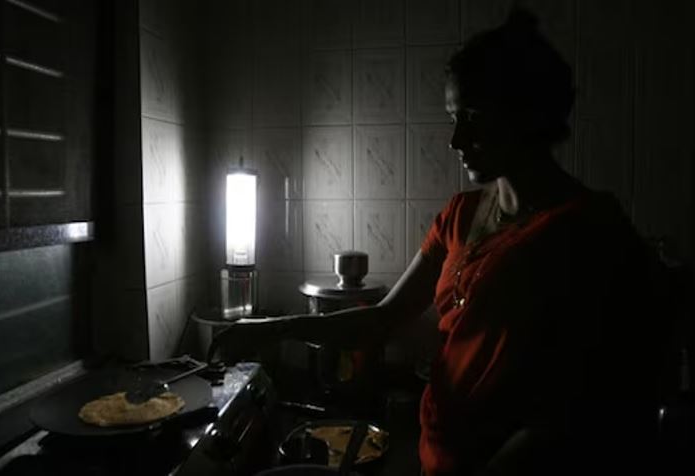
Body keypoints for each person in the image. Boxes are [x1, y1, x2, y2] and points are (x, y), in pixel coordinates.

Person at [218, 9, 668, 476]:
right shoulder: (459, 215)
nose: (455, 139)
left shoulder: (587, 230)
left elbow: (581, 403)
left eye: (473, 117)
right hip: (435, 456)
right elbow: (384, 318)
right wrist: (273, 328)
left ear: (527, 115)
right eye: (454, 117)